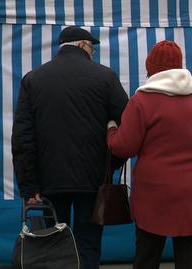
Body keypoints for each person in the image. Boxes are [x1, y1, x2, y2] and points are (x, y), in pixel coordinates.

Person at [106, 40, 192, 269]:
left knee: (147, 258)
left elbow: (123, 147)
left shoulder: (141, 101)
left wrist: (111, 129)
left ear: (151, 69)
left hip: (153, 197)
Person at [11, 26, 128, 269]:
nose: (93, 53)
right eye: (92, 48)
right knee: (88, 244)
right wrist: (110, 166)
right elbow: (127, 126)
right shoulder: (105, 77)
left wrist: (29, 186)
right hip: (93, 179)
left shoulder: (33, 79)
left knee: (53, 245)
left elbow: (22, 138)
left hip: (48, 181)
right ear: (83, 45)